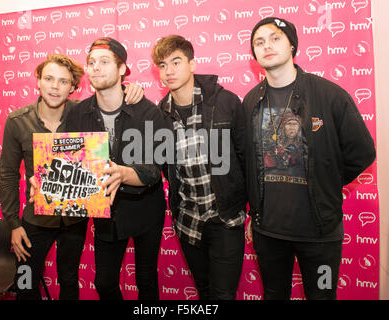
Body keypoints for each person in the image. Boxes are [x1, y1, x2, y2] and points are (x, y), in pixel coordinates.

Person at [243, 17, 376, 300]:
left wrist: (325, 180)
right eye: (259, 42)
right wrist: (255, 217)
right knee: (273, 294)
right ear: (253, 54)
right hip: (269, 232)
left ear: (292, 44)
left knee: (323, 296)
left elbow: (362, 152)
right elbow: (246, 161)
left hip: (320, 234)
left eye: (275, 38)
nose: (267, 45)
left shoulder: (329, 95)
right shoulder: (251, 102)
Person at [0, 53, 143, 300]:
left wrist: (132, 90)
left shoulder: (83, 114)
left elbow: (112, 98)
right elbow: (8, 174)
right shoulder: (17, 121)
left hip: (74, 219)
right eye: (49, 79)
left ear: (74, 87)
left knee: (68, 280)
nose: (55, 87)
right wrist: (13, 223)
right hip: (35, 219)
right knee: (24, 281)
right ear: (38, 81)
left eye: (63, 81)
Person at [64, 38, 166, 300]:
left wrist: (122, 174)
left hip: (145, 210)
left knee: (146, 279)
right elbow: (68, 164)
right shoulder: (77, 114)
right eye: (91, 62)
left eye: (104, 62)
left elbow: (154, 170)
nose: (96, 68)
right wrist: (45, 181)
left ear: (122, 69)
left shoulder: (147, 112)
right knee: (105, 283)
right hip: (106, 214)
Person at [151, 35, 247, 300]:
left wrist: (255, 211)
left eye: (176, 62)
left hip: (224, 216)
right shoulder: (159, 114)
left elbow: (246, 157)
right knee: (204, 291)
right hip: (188, 220)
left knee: (223, 295)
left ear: (192, 64)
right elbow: (162, 166)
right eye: (162, 65)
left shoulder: (224, 102)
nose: (169, 71)